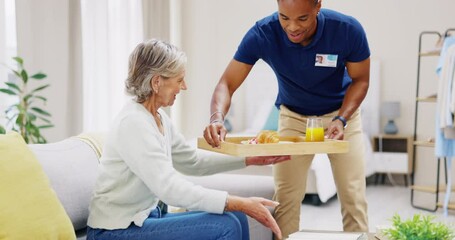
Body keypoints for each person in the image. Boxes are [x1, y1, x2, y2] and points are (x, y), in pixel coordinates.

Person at [86, 39, 291, 240]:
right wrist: (238, 201)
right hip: (114, 231)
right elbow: (169, 188)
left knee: (236, 216)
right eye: (178, 79)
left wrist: (248, 159)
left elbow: (192, 161)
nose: (183, 87)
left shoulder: (157, 117)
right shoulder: (133, 123)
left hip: (146, 219)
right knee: (226, 224)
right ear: (157, 82)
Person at [203, 0, 370, 239]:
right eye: (284, 18)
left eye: (302, 18)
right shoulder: (263, 33)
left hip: (341, 117)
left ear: (317, 6)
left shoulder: (346, 30)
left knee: (353, 196)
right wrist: (217, 118)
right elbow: (226, 83)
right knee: (285, 198)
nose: (292, 27)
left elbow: (361, 80)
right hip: (293, 116)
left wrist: (341, 118)